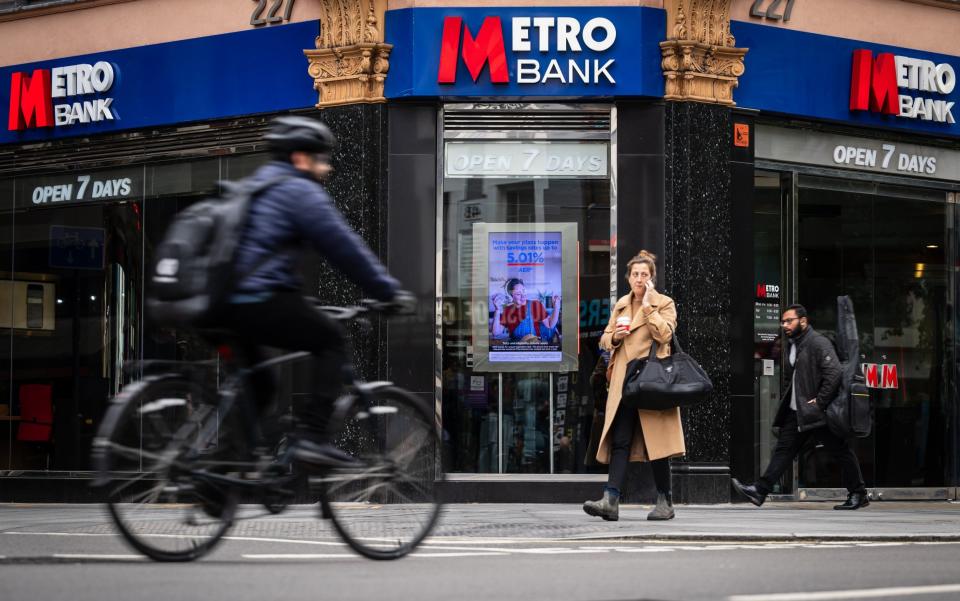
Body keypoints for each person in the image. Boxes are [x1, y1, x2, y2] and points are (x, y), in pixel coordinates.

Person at [219, 115, 414, 465]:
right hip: (258, 298)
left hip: (225, 303)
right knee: (330, 340)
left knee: (259, 386)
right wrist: (388, 291)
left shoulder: (256, 186)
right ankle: (311, 436)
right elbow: (344, 248)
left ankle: (221, 474)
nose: (325, 169)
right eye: (320, 159)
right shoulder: (298, 190)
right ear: (299, 158)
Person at [731, 304, 869, 510]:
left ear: (803, 321)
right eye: (783, 321)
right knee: (784, 450)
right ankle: (760, 490)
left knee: (840, 451)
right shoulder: (793, 344)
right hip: (799, 412)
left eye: (789, 321)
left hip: (819, 414)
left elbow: (834, 373)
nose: (784, 325)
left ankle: (858, 493)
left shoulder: (818, 343)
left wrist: (820, 402)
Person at [582, 251, 685, 521]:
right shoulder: (621, 305)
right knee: (621, 440)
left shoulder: (664, 303)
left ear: (652, 278)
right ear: (628, 277)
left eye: (645, 275)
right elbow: (604, 339)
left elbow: (665, 335)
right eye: (635, 274)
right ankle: (610, 500)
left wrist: (649, 306)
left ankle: (665, 501)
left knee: (657, 444)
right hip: (625, 383)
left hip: (651, 380)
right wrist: (614, 336)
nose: (639, 279)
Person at [491, 278, 560, 342]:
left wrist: (556, 306)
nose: (523, 296)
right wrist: (497, 309)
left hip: (534, 348)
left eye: (523, 291)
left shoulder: (535, 305)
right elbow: (496, 333)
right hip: (516, 350)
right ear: (511, 296)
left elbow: (550, 325)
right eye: (518, 294)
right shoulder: (507, 310)